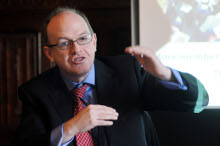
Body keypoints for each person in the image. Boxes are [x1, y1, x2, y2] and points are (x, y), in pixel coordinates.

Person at [14, 7, 209, 146]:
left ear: (95, 42)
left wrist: (164, 73)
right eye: (65, 43)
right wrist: (71, 128)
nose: (77, 49)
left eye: (83, 39)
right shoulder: (35, 92)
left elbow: (196, 102)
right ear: (49, 53)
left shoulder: (127, 72)